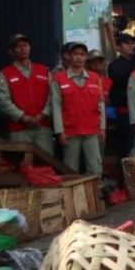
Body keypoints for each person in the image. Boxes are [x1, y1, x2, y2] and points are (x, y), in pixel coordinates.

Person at [50, 42, 105, 175]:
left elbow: (101, 104)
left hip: (91, 130)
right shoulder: (59, 78)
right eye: (75, 54)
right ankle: (72, 196)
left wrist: (102, 127)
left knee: (95, 168)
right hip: (70, 131)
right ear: (68, 56)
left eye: (82, 54)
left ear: (86, 57)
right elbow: (55, 106)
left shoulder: (94, 78)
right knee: (70, 169)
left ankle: (96, 194)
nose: (79, 57)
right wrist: (59, 131)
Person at [0, 34, 53, 152]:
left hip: (42, 126)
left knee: (46, 163)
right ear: (11, 52)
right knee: (22, 164)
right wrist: (25, 118)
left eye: (25, 45)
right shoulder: (5, 74)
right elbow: (4, 101)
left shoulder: (44, 70)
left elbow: (52, 96)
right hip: (19, 128)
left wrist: (41, 115)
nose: (23, 49)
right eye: (18, 47)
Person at [106, 33, 135, 157]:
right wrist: (133, 63)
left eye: (132, 43)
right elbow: (119, 79)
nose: (130, 46)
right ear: (118, 47)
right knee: (126, 146)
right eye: (126, 43)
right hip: (124, 112)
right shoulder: (114, 65)